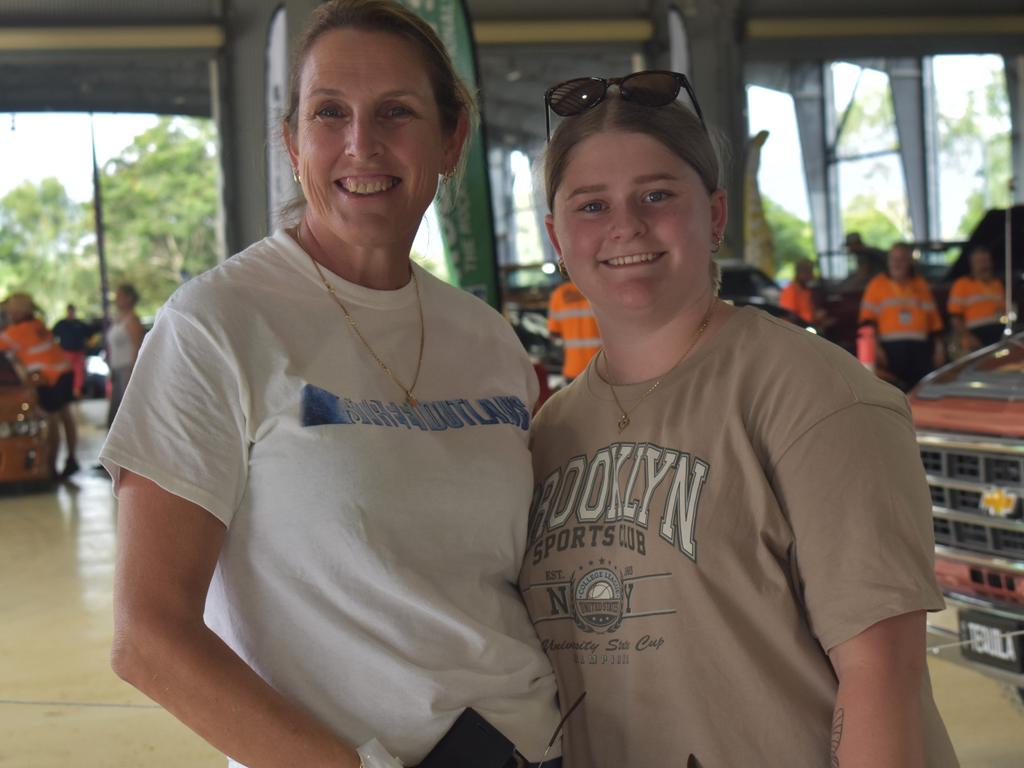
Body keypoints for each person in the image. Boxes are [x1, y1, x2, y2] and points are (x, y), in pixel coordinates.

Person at [101, 3, 560, 768]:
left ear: (451, 140)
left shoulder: (488, 341)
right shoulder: (217, 324)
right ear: (292, 143)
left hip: (536, 745)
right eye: (330, 113)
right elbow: (147, 637)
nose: (362, 144)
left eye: (396, 112)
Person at [519, 71, 958, 767]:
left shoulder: (815, 396)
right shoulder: (550, 434)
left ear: (716, 214)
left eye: (657, 195)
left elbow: (883, 678)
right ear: (555, 234)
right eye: (592, 205)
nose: (626, 225)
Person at [0, 293, 79, 477]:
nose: (8, 315)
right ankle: (71, 459)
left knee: (51, 421)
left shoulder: (16, 332)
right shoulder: (38, 325)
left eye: (10, 311)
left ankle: (50, 467)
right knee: (65, 417)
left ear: (18, 312)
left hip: (48, 379)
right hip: (64, 374)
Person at [859, 243, 945, 391]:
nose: (897, 263)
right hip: (890, 350)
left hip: (920, 351)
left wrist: (940, 349)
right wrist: (876, 348)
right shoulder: (876, 285)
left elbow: (934, 323)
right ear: (888, 261)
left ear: (910, 262)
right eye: (893, 259)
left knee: (921, 391)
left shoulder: (921, 285)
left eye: (902, 259)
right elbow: (867, 321)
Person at [947, 244, 1005, 351]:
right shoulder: (962, 284)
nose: (984, 265)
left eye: (986, 260)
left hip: (999, 334)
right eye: (979, 261)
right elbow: (955, 317)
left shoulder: (997, 284)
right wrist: (968, 336)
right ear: (972, 263)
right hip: (975, 336)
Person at [105, 284, 145, 427]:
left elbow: (137, 345)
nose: (116, 299)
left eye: (120, 296)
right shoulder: (118, 319)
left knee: (126, 409)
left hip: (127, 368)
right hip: (117, 368)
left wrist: (133, 372)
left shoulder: (132, 320)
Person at [547, 277, 601, 381]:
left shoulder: (559, 294)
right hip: (602, 370)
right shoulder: (602, 288)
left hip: (573, 370)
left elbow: (554, 335)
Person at [52, 303, 95, 398]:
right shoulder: (61, 324)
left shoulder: (79, 324)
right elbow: (52, 336)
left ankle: (76, 392)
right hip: (65, 353)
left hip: (78, 353)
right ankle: (65, 392)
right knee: (65, 373)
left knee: (79, 374)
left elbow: (90, 334)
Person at [779, 257, 828, 327]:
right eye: (809, 272)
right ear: (800, 274)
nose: (812, 276)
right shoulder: (790, 291)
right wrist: (814, 317)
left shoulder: (806, 290)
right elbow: (790, 317)